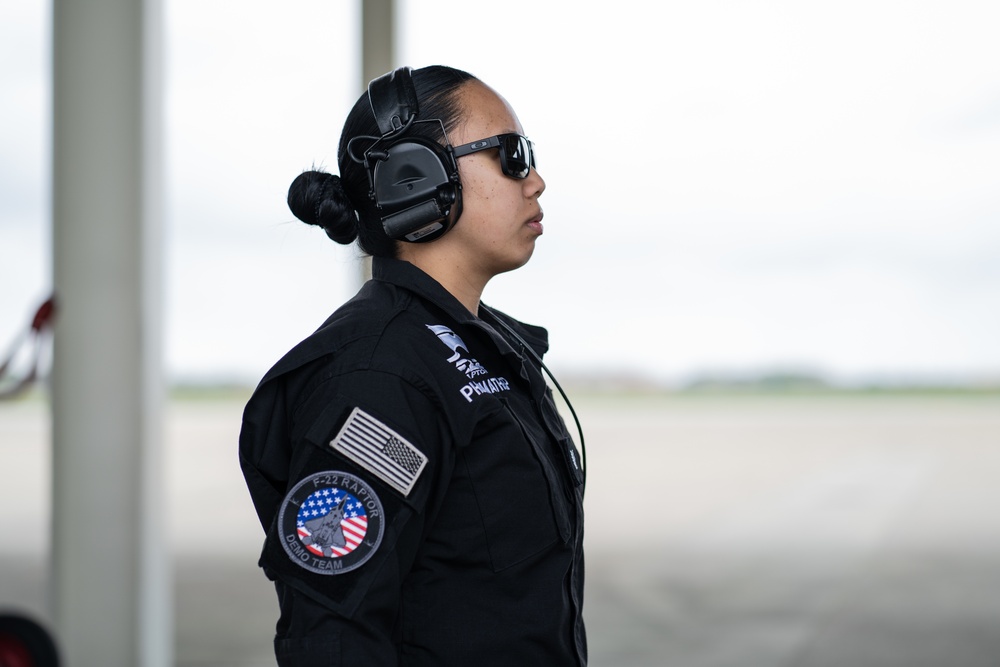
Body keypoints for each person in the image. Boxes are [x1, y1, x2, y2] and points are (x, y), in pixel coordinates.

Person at [239, 65, 586, 666]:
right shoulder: (379, 379)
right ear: (413, 178)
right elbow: (333, 638)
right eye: (511, 155)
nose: (536, 181)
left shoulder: (475, 350)